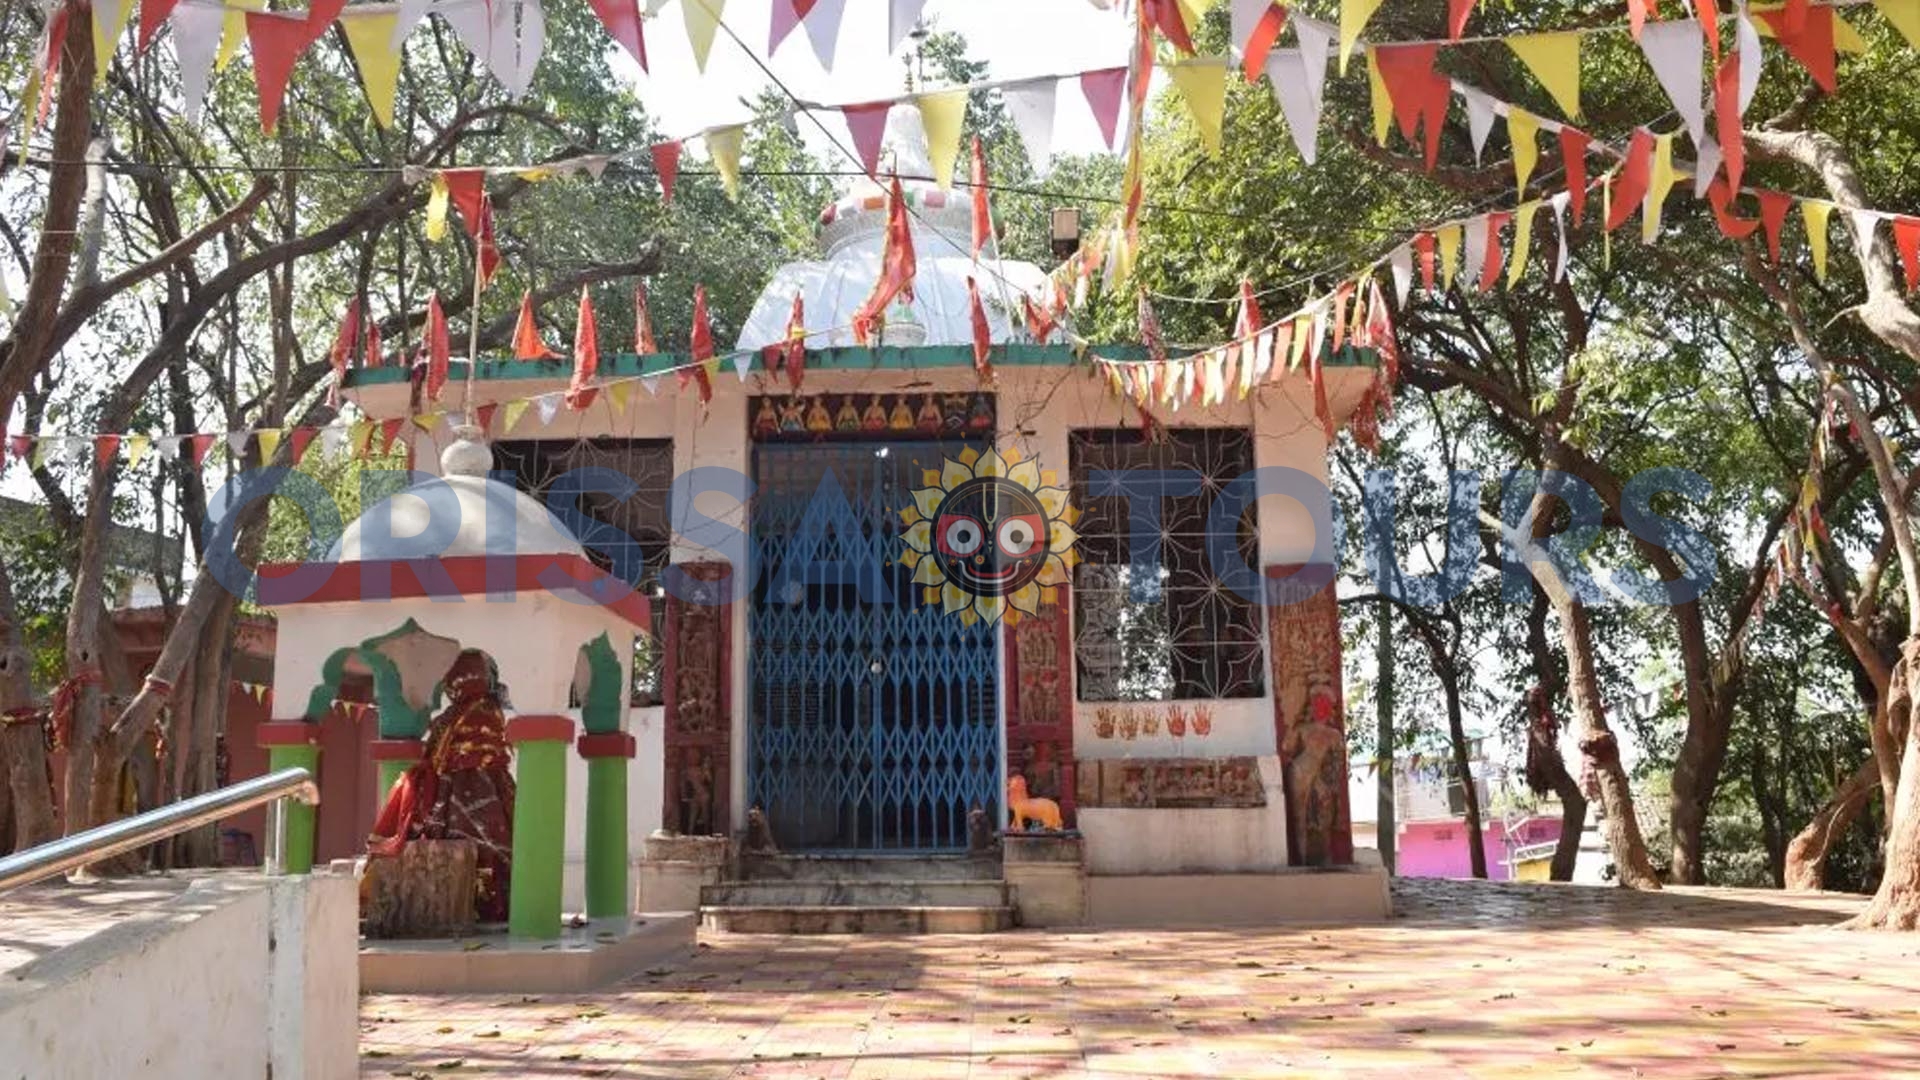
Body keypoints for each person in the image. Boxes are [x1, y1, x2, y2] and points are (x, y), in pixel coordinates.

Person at [367, 651, 516, 921]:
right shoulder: (479, 711)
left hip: (464, 789)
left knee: (477, 846)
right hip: (465, 789)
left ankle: (476, 906)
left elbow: (472, 751)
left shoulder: (472, 712)